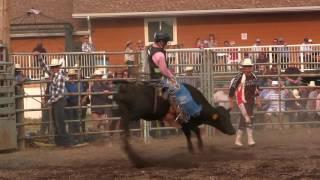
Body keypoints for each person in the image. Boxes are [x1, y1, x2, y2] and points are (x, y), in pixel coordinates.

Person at [147, 31, 202, 125]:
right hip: (160, 79)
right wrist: (172, 77)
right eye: (165, 42)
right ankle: (183, 113)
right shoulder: (160, 55)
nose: (166, 44)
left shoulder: (150, 48)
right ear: (161, 42)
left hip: (153, 77)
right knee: (180, 90)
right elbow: (164, 70)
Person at [35, 53, 74, 147]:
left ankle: (66, 142)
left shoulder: (60, 77)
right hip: (55, 101)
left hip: (59, 101)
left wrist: (48, 102)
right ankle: (60, 142)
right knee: (57, 122)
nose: (52, 69)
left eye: (54, 67)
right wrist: (39, 57)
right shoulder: (53, 75)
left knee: (60, 122)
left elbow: (59, 93)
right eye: (52, 67)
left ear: (58, 68)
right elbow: (44, 67)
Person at [229, 58, 260, 147]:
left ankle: (238, 139)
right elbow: (232, 89)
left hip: (250, 101)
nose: (248, 68)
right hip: (241, 100)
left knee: (244, 119)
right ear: (243, 68)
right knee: (248, 118)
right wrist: (231, 101)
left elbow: (256, 89)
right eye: (246, 67)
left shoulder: (254, 76)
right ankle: (250, 139)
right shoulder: (238, 77)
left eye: (249, 66)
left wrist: (257, 99)